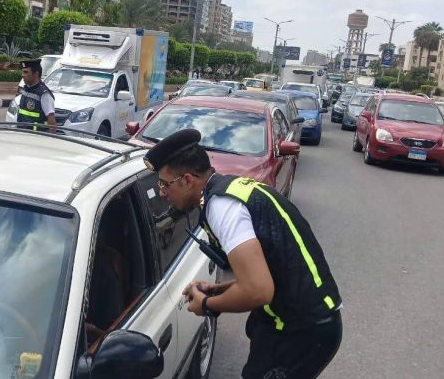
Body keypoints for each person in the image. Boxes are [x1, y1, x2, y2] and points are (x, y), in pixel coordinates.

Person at [143, 129, 342, 379]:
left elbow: (258, 290)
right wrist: (219, 290)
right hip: (296, 322)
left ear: (188, 180)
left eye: (164, 184)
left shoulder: (222, 207)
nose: (162, 192)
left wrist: (206, 305)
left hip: (301, 331)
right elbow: (267, 273)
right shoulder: (230, 190)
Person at [16, 59, 55, 133]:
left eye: (26, 72)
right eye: (22, 72)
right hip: (22, 134)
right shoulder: (26, 89)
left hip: (36, 137)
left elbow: (51, 120)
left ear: (36, 74)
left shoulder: (44, 94)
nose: (22, 75)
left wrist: (50, 138)